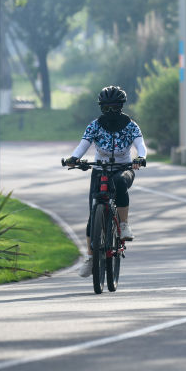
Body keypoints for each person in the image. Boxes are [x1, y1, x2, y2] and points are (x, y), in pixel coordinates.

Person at [66, 85, 146, 279]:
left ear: (121, 107)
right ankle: (91, 258)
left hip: (123, 168)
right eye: (106, 107)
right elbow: (83, 145)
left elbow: (140, 145)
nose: (110, 111)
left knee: (119, 182)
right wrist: (74, 158)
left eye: (115, 107)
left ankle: (124, 225)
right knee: (93, 215)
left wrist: (140, 158)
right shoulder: (95, 125)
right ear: (101, 108)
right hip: (100, 170)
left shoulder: (130, 126)